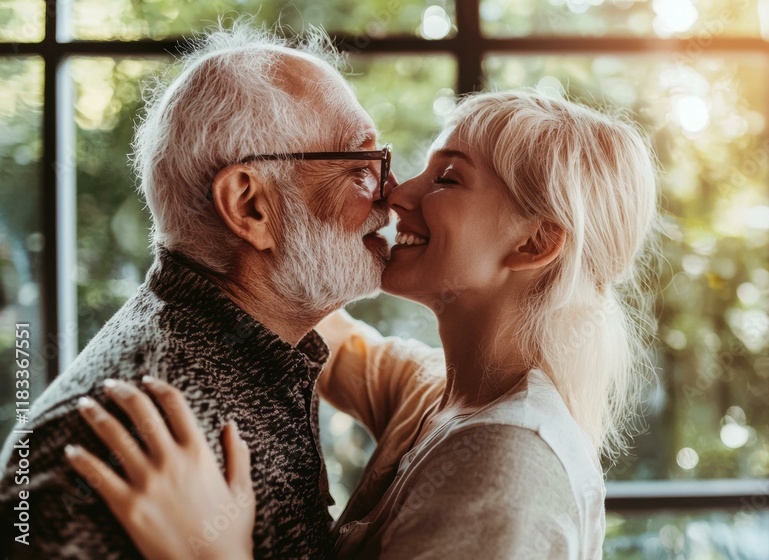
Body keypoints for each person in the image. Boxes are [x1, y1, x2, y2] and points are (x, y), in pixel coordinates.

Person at [64, 90, 659, 559]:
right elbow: (304, 313)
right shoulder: (436, 395)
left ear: (534, 242)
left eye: (448, 178)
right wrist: (274, 215)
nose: (396, 194)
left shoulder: (509, 462)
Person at [0, 21, 396, 558]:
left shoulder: (269, 346)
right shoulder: (109, 442)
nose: (391, 193)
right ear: (251, 206)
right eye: (361, 162)